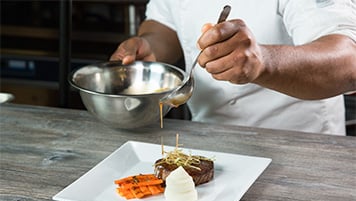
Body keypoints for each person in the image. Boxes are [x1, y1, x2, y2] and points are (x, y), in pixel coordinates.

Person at [110, 0, 356, 135]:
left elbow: (348, 62)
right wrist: (149, 45)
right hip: (210, 140)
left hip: (300, 146)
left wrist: (264, 62)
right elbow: (164, 23)